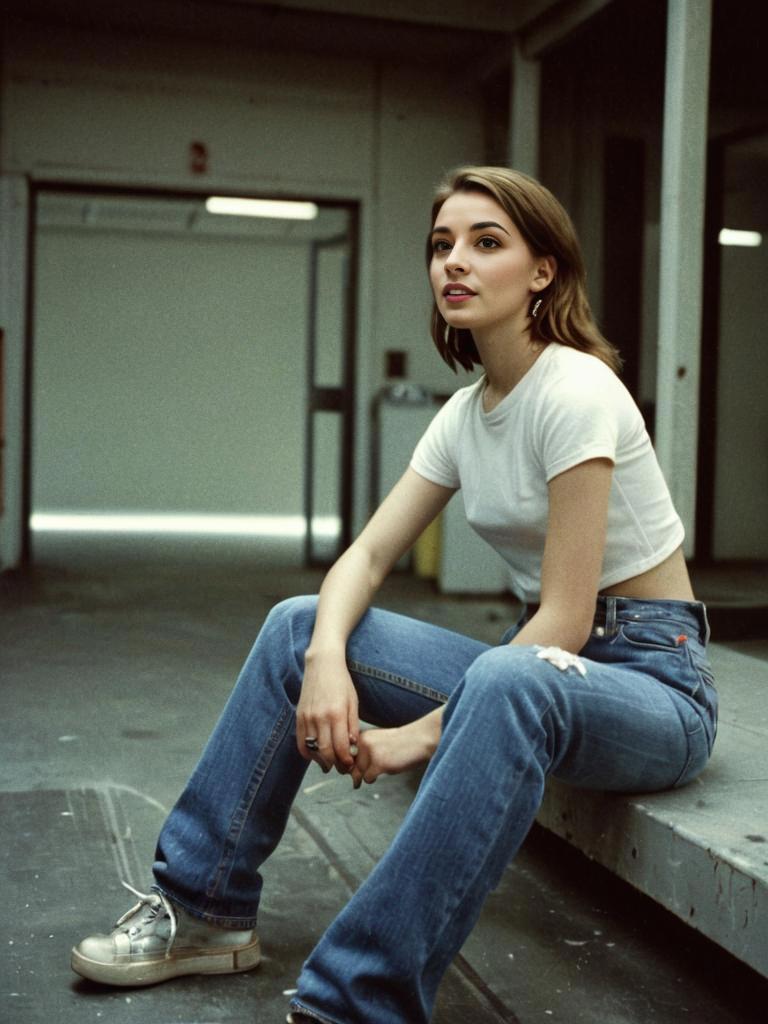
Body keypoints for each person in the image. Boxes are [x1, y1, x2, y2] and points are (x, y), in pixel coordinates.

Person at [71, 166, 718, 1024]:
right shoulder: (464, 415)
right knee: (298, 624)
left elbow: (564, 621)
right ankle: (203, 909)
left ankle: (358, 1002)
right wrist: (325, 661)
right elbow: (368, 555)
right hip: (540, 668)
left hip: (652, 682)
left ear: (543, 271)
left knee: (508, 675)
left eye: (486, 242)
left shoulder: (577, 389)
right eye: (442, 245)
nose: (455, 261)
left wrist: (414, 737)